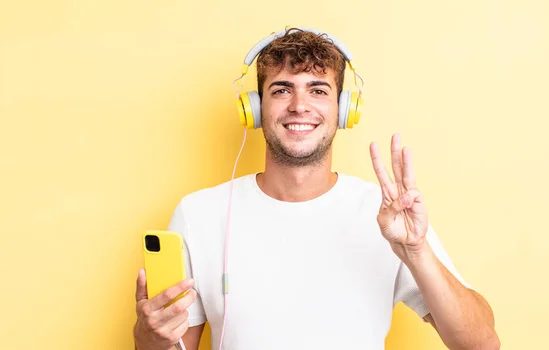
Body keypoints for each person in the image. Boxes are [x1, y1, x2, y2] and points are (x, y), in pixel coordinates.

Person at [133, 27, 500, 350]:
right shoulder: (200, 215)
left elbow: (482, 345)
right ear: (257, 108)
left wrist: (416, 250)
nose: (299, 106)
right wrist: (149, 339)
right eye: (281, 90)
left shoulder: (386, 214)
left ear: (343, 109)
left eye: (318, 90)